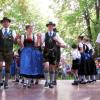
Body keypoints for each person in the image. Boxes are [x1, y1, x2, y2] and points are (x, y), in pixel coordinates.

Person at [42, 22, 66, 88]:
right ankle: (46, 81)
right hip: (46, 52)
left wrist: (56, 40)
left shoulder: (56, 35)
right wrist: (42, 45)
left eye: (51, 26)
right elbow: (41, 43)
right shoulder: (44, 34)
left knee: (52, 68)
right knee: (46, 66)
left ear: (53, 27)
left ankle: (51, 82)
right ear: (47, 27)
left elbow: (62, 44)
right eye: (49, 26)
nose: (50, 27)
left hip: (53, 53)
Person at [0, 17, 17, 89]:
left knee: (7, 68)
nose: (5, 23)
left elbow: (16, 42)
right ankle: (0, 81)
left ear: (9, 23)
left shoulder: (13, 31)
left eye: (7, 22)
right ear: (2, 23)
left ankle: (6, 82)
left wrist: (15, 39)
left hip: (9, 52)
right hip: (0, 51)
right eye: (4, 22)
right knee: (0, 66)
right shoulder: (0, 31)